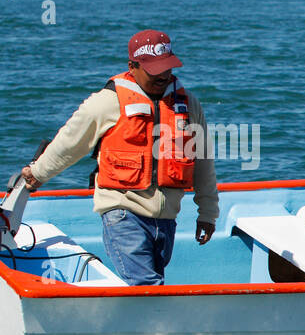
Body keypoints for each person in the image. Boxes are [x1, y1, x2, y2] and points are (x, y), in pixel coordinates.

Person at [20, 29, 218, 285]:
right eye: (154, 70)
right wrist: (37, 173)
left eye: (167, 68)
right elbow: (69, 143)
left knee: (151, 286)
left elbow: (203, 162)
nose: (163, 75)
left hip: (167, 220)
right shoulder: (107, 102)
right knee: (147, 286)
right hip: (123, 214)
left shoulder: (188, 104)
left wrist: (208, 213)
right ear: (132, 66)